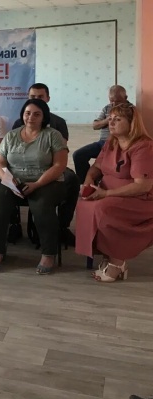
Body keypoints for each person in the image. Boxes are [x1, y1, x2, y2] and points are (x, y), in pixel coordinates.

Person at [0, 99, 68, 274]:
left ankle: (49, 253)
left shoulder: (53, 135)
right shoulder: (11, 136)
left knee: (41, 207)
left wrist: (37, 184)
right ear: (22, 115)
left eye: (37, 114)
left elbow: (59, 165)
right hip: (14, 182)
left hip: (47, 182)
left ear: (44, 117)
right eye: (27, 113)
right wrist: (8, 181)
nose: (31, 117)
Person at [75, 104, 153, 282]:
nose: (111, 123)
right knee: (84, 204)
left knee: (104, 209)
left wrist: (106, 193)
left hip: (139, 198)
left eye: (117, 119)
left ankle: (117, 262)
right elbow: (96, 167)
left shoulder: (144, 146)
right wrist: (88, 181)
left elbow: (142, 186)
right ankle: (107, 255)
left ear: (132, 123)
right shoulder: (111, 142)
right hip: (108, 192)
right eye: (110, 119)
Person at [11, 83, 78, 245]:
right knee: (5, 182)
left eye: (40, 97)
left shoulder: (58, 122)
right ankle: (14, 225)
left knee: (72, 180)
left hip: (51, 165)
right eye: (33, 97)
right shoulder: (19, 122)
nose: (37, 99)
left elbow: (60, 153)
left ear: (48, 98)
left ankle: (62, 226)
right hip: (24, 167)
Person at [73, 85, 130, 182]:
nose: (114, 104)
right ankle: (85, 183)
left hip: (119, 144)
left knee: (104, 162)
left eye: (118, 101)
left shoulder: (130, 110)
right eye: (111, 101)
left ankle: (100, 181)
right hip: (102, 143)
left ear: (125, 98)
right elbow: (95, 125)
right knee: (78, 155)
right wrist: (107, 120)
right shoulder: (107, 108)